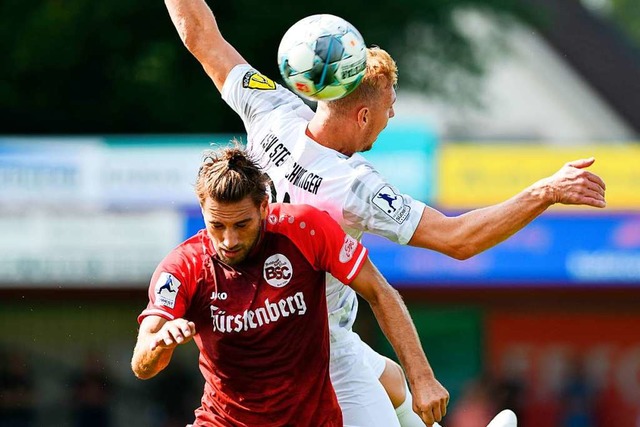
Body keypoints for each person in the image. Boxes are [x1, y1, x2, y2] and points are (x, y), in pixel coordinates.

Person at [163, 1, 606, 426]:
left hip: (265, 325)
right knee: (381, 378)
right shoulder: (354, 185)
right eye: (387, 111)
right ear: (361, 115)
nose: (389, 118)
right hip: (316, 346)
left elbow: (201, 36)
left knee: (392, 382)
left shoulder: (271, 111)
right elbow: (458, 239)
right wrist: (546, 191)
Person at [130, 147, 449, 426]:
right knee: (385, 375)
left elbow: (380, 292)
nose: (229, 240)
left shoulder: (305, 229)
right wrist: (160, 344)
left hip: (311, 419)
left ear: (264, 208)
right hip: (224, 421)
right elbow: (142, 366)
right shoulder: (182, 267)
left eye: (242, 225)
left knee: (384, 374)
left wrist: (422, 377)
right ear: (203, 212)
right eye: (217, 225)